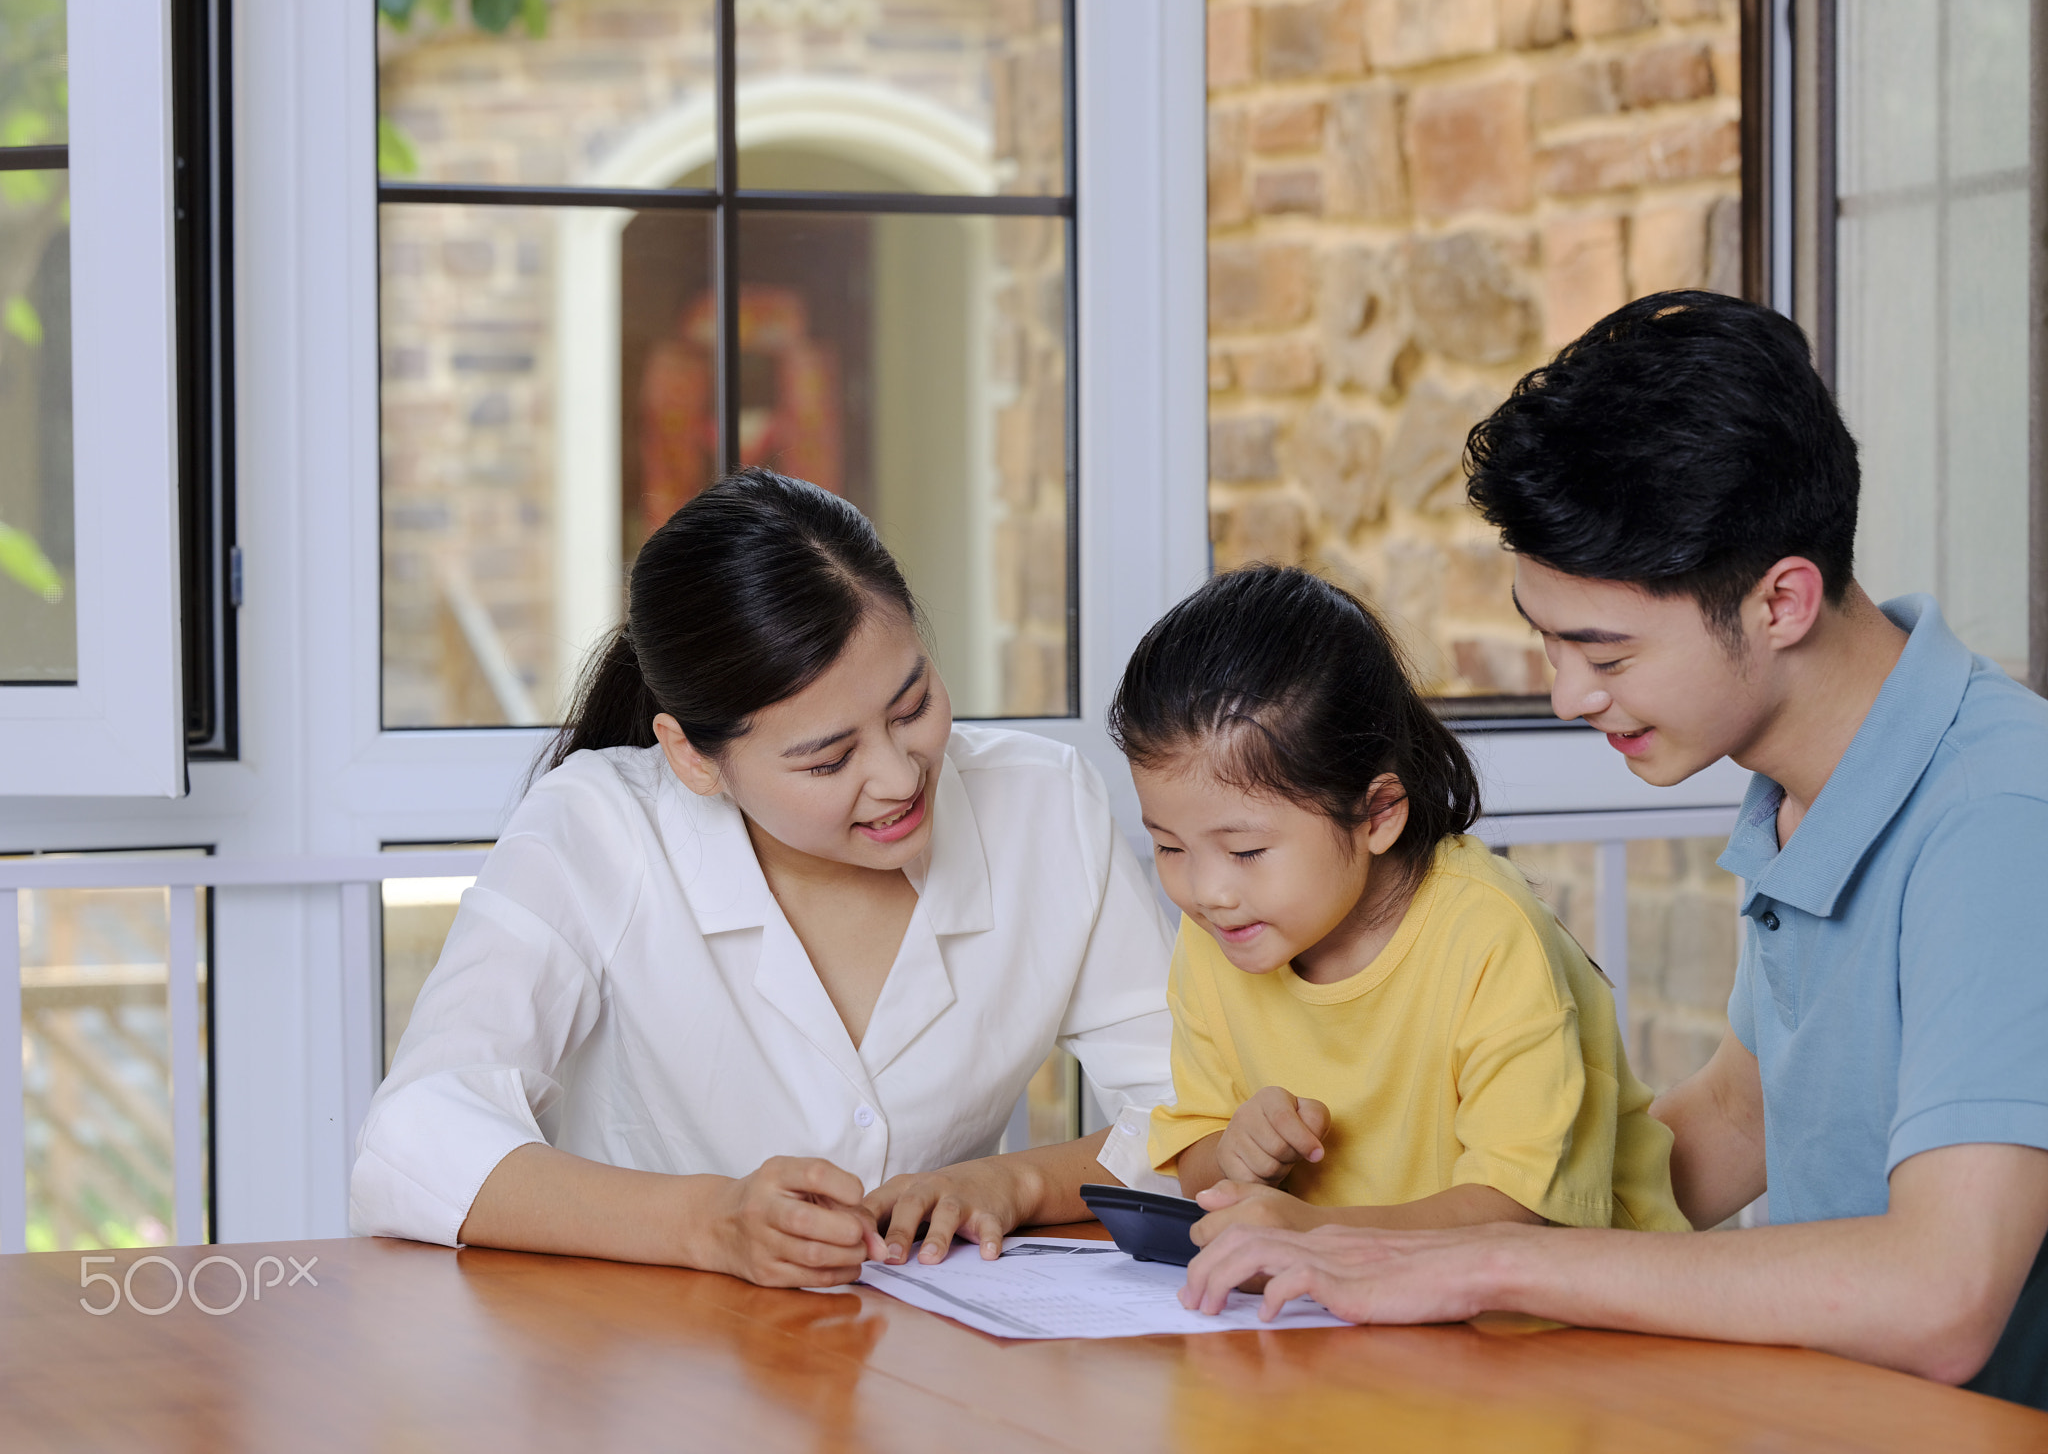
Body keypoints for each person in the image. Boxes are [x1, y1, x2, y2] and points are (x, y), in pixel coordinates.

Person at [1178, 291, 2048, 1410]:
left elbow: (1941, 1298)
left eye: (1605, 652)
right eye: (1546, 642)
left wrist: (1489, 1262)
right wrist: (1358, 1235)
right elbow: (1737, 1120)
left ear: (1779, 599)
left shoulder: (1998, 815)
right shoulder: (1809, 785)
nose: (1566, 695)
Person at [351, 469, 1174, 1287]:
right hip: (660, 1369)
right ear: (691, 757)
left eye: (912, 707)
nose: (897, 776)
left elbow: (1199, 1112)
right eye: (829, 759)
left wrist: (1013, 1181)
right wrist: (706, 1224)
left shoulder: (1043, 806)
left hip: (934, 1370)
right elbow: (417, 1139)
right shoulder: (598, 828)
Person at [1110, 566, 1688, 1244]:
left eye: (1245, 852)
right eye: (1170, 849)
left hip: (1572, 1321)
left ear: (1377, 813)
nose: (1206, 893)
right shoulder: (1221, 933)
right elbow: (1199, 1165)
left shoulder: (1488, 935)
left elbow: (1518, 1213)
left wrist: (1316, 1237)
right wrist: (1237, 1152)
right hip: (1356, 1311)